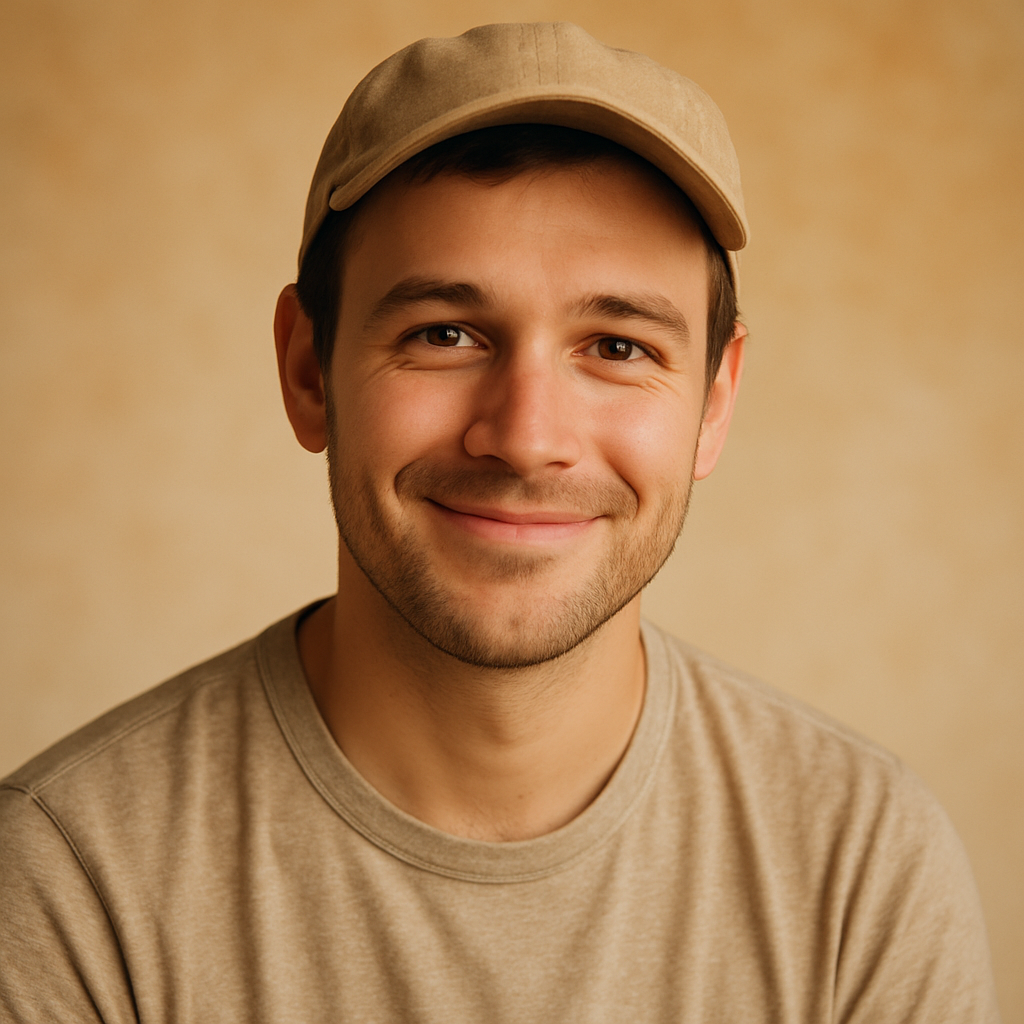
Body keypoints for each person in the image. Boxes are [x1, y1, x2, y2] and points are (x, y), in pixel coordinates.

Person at [0, 22, 1000, 1022]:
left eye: (616, 344)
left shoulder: (860, 865)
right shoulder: (70, 881)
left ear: (713, 401)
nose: (526, 438)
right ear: (308, 369)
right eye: (444, 333)